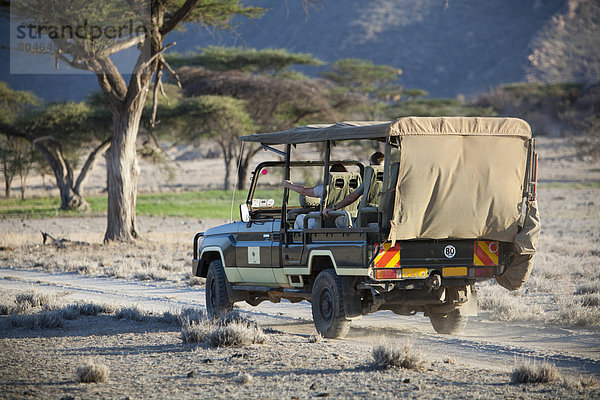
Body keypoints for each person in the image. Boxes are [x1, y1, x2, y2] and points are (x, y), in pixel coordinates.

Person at [283, 163, 347, 229]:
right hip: (344, 221)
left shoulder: (326, 189)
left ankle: (298, 239)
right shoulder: (352, 191)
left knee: (299, 218)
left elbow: (304, 191)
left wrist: (289, 186)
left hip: (325, 222)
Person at [322, 151, 384, 219]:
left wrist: (334, 208)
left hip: (365, 219)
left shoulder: (370, 181)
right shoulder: (392, 180)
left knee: (339, 220)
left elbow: (352, 197)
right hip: (383, 218)